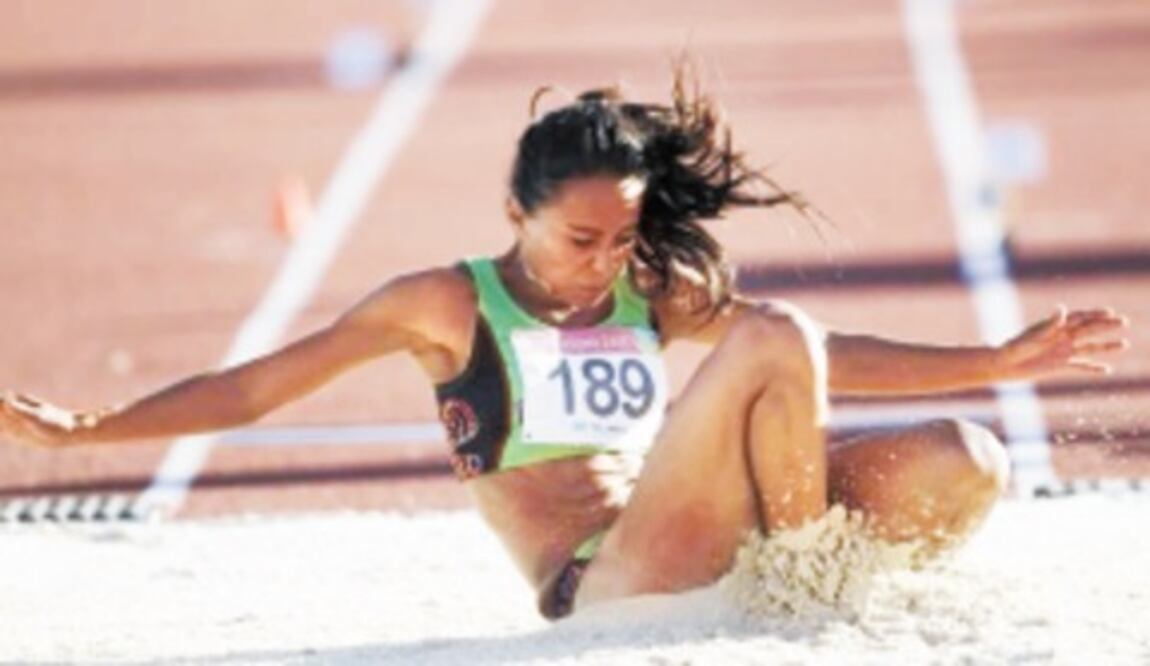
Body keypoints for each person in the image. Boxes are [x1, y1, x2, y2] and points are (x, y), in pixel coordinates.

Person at [0, 64, 1129, 621]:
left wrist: (997, 363)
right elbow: (256, 389)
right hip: (606, 577)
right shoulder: (444, 306)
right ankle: (804, 588)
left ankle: (793, 576)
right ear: (515, 212)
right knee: (774, 332)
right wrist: (88, 430)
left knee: (965, 459)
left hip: (711, 533)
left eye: (622, 237)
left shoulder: (646, 289)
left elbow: (823, 360)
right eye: (581, 238)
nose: (604, 260)